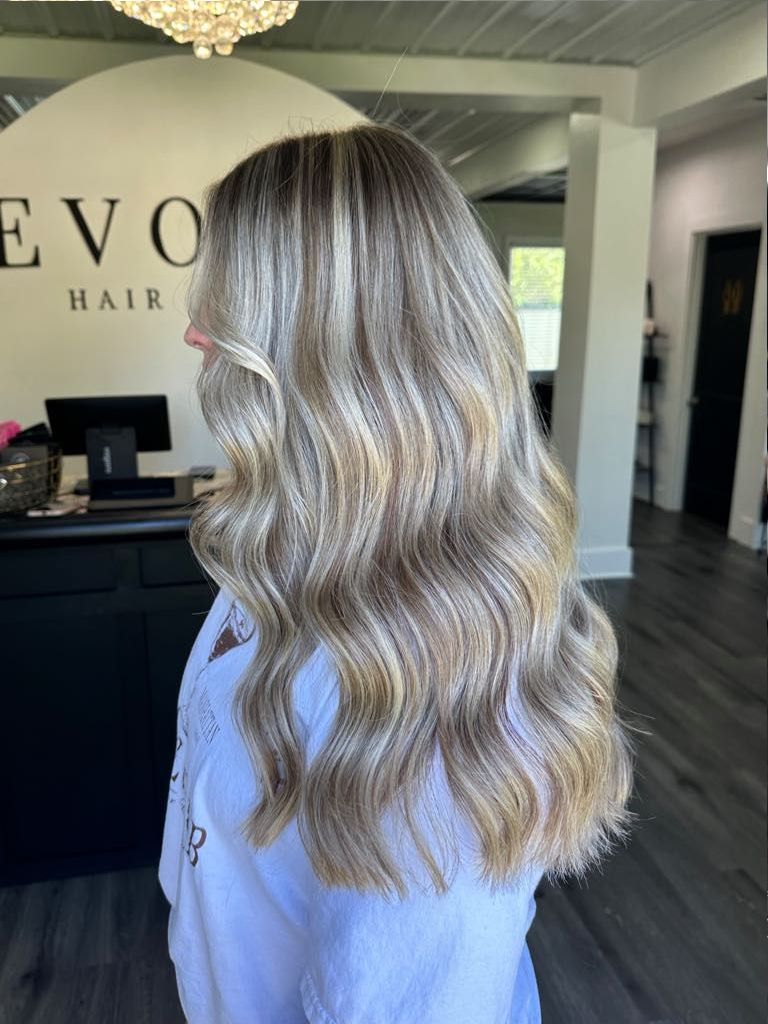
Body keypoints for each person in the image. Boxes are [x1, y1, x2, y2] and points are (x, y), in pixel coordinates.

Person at [160, 122, 638, 1024]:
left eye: (223, 302)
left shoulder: (431, 700)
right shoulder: (289, 540)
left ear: (324, 348)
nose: (194, 332)